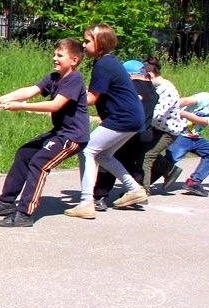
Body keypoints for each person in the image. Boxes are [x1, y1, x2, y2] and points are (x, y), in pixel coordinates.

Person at [0, 38, 90, 228]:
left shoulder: (75, 79)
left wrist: (21, 108)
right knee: (25, 153)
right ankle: (6, 202)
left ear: (74, 60)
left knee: (39, 163)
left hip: (72, 136)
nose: (54, 58)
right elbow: (30, 91)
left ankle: (25, 213)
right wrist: (2, 99)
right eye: (54, 54)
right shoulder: (54, 77)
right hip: (59, 132)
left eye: (59, 55)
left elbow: (55, 105)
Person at [69, 23, 148, 219]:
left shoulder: (104, 64)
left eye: (87, 41)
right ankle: (134, 188)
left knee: (86, 149)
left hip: (122, 118)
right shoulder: (108, 62)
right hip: (133, 118)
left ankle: (86, 202)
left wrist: (63, 100)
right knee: (103, 155)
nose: (84, 45)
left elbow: (92, 98)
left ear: (101, 43)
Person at [91, 59, 158, 211]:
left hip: (126, 131)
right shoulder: (152, 90)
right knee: (132, 163)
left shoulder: (130, 87)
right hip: (145, 133)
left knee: (107, 161)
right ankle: (136, 191)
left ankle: (100, 197)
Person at [141, 58, 186, 190]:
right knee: (137, 150)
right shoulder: (152, 87)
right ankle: (169, 169)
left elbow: (157, 114)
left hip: (168, 131)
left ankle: (143, 191)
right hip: (155, 127)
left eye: (143, 78)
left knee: (147, 156)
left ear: (150, 75)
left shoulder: (167, 89)